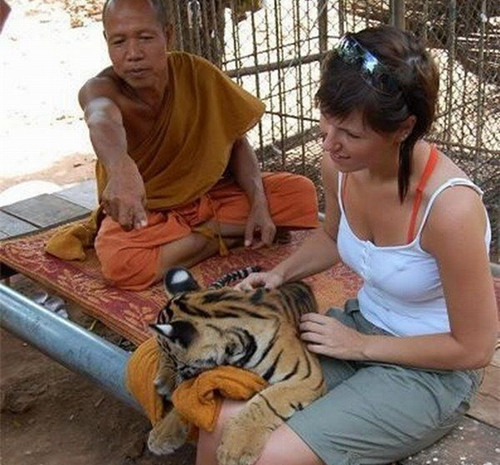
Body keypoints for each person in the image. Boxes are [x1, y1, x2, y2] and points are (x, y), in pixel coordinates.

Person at [196, 25, 498, 465]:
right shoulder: (340, 166)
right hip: (358, 328)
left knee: (270, 455)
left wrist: (359, 346)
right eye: (327, 120)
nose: (329, 141)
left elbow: (474, 348)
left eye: (351, 134)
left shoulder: (448, 210)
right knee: (219, 418)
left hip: (433, 371)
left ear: (404, 129)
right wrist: (279, 274)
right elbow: (333, 236)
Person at [58, 0, 318, 291]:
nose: (133, 54)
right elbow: (100, 117)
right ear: (107, 42)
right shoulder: (100, 89)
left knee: (300, 195)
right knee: (121, 264)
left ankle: (194, 241)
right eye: (119, 42)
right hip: (149, 215)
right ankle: (218, 237)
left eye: (145, 38)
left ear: (168, 36)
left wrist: (258, 202)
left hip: (208, 200)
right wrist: (120, 168)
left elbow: (235, 140)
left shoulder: (198, 75)